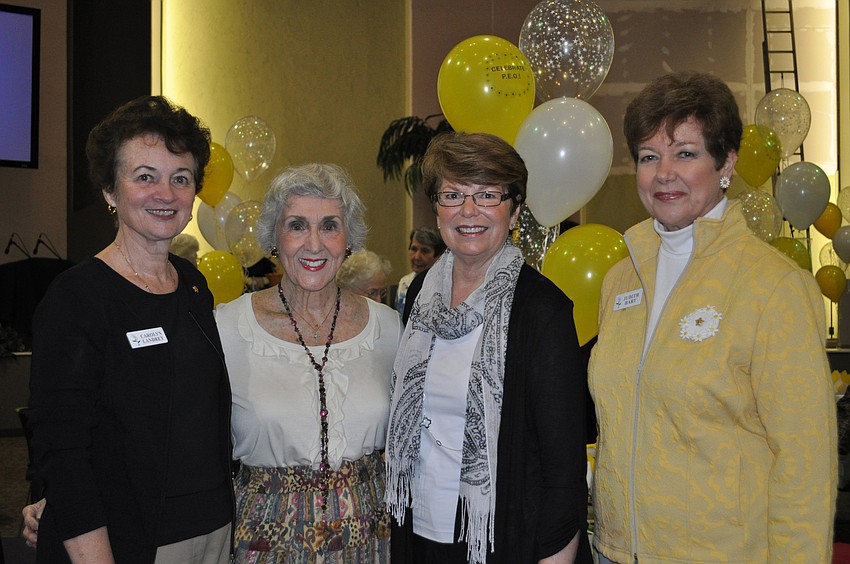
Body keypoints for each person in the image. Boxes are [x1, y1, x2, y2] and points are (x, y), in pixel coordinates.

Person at [588, 71, 837, 563]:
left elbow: (806, 464)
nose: (664, 173)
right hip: (616, 553)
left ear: (726, 162)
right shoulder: (622, 280)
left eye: (685, 153)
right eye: (648, 156)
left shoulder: (774, 288)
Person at [22, 96, 234, 563]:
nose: (166, 193)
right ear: (109, 192)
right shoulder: (77, 299)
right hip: (128, 540)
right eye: (145, 177)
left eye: (180, 178)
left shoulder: (194, 286)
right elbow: (63, 449)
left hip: (214, 530)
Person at [386, 132, 592, 563]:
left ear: (515, 211)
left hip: (502, 539)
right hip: (416, 527)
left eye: (487, 195)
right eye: (453, 194)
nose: (468, 211)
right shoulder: (422, 292)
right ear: (436, 208)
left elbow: (563, 471)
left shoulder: (542, 311)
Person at [215, 163, 402, 562]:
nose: (314, 244)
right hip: (263, 542)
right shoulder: (228, 327)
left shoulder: (389, 327)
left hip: (367, 539)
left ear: (348, 238)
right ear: (274, 238)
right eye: (297, 225)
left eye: (330, 225)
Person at [395, 226, 445, 314]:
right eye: (413, 249)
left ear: (438, 256)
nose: (417, 257)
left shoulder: (444, 286)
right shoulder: (404, 282)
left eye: (425, 251)